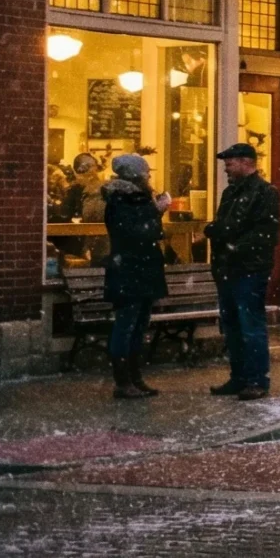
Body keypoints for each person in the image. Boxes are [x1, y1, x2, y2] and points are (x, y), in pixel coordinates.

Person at [201, 143, 280, 399]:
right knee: (232, 325)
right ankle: (239, 377)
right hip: (228, 267)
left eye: (231, 163)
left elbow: (262, 233)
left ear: (247, 162)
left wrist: (228, 240)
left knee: (250, 324)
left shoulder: (264, 192)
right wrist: (220, 233)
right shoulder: (231, 193)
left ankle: (256, 379)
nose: (226, 167)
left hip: (248, 268)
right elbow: (227, 226)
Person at [100, 153, 172, 399]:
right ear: (135, 175)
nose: (149, 175)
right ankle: (124, 381)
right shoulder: (122, 199)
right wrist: (156, 211)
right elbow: (134, 233)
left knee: (138, 325)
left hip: (139, 268)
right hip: (130, 269)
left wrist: (154, 212)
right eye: (145, 172)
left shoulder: (135, 199)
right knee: (127, 326)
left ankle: (134, 377)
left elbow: (146, 231)